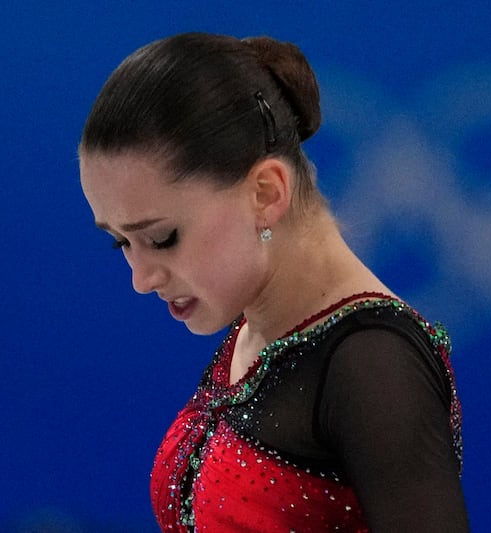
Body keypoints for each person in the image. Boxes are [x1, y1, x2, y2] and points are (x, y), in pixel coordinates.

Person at [78, 32, 468, 532]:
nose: (142, 278)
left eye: (161, 238)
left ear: (265, 192)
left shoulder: (372, 363)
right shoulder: (256, 328)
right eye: (121, 243)